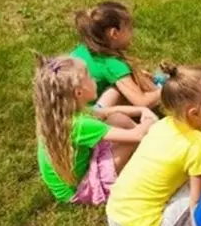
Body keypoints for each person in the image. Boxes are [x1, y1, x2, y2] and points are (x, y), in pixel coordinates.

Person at [106, 63, 201, 226]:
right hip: (143, 223)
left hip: (115, 213)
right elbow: (197, 204)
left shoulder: (162, 125)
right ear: (194, 113)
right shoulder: (197, 144)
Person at [33, 54, 155, 205]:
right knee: (130, 142)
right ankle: (152, 154)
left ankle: (150, 147)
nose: (95, 80)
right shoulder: (80, 124)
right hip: (79, 190)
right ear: (78, 93)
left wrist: (141, 110)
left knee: (117, 118)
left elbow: (106, 112)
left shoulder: (64, 113)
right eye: (90, 77)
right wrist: (150, 119)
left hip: (72, 179)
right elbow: (137, 135)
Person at [71, 1, 161, 108]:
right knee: (118, 90)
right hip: (84, 116)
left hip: (63, 109)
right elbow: (142, 102)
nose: (132, 33)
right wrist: (166, 90)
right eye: (129, 29)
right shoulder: (112, 63)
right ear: (114, 33)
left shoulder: (82, 50)